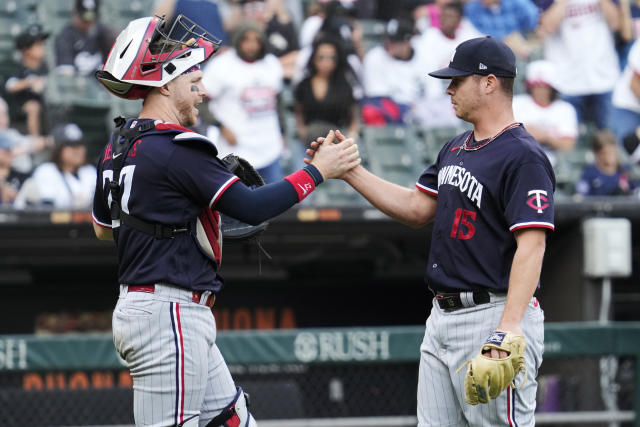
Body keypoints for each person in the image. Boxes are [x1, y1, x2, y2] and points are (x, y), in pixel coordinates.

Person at [91, 15, 359, 426]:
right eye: (190, 80)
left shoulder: (119, 144)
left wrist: (173, 220)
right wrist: (317, 171)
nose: (200, 90)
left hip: (157, 306)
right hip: (168, 312)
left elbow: (103, 228)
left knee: (232, 420)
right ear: (165, 84)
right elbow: (251, 207)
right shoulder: (176, 146)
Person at [307, 36, 553, 426]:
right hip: (441, 315)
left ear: (489, 82)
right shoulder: (454, 148)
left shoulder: (523, 155)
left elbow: (533, 244)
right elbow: (415, 209)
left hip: (492, 312)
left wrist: (509, 327)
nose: (448, 88)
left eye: (458, 80)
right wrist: (349, 170)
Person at [203, 22, 286, 183]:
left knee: (275, 202)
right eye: (246, 40)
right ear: (238, 40)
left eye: (256, 40)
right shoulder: (222, 64)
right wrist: (220, 126)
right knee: (237, 205)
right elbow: (201, 101)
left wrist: (282, 131)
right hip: (236, 151)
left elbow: (279, 101)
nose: (252, 45)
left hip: (269, 147)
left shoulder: (272, 64)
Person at [538, 0, 621, 130]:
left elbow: (616, 23)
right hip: (566, 80)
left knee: (608, 138)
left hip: (604, 76)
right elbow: (547, 26)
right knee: (569, 140)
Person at [13, 122, 96, 209]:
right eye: (72, 145)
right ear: (58, 149)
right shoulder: (46, 171)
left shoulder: (90, 172)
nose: (79, 150)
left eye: (81, 144)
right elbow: (46, 211)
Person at [294, 34, 359, 144]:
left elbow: (353, 114)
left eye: (331, 58)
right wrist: (302, 130)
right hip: (310, 141)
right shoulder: (304, 85)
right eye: (321, 57)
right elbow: (298, 110)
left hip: (337, 140)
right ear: (314, 59)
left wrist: (352, 133)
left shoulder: (344, 85)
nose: (326, 62)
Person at [513, 60, 578, 165]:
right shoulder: (517, 103)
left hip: (554, 165)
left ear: (552, 88)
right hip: (518, 160)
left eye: (544, 86)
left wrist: (545, 137)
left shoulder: (565, 109)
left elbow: (568, 145)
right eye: (535, 85)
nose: (539, 90)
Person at [5, 24, 49, 137]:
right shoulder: (20, 69)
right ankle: (35, 141)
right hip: (21, 105)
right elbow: (10, 85)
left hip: (46, 103)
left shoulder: (46, 68)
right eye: (38, 45)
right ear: (26, 51)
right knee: (33, 106)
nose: (42, 47)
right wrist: (30, 82)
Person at [54, 0, 116, 76]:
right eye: (84, 19)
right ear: (75, 13)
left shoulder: (103, 33)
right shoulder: (65, 37)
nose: (88, 22)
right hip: (79, 85)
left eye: (91, 19)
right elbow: (67, 76)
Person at [463, 0, 539, 58]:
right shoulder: (472, 8)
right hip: (490, 51)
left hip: (522, 45)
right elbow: (473, 35)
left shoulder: (517, 3)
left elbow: (535, 23)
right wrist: (504, 41)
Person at [576, 129, 637, 196]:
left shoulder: (624, 171)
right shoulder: (590, 173)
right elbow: (580, 198)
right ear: (596, 153)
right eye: (604, 153)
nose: (609, 156)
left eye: (612, 152)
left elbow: (635, 193)